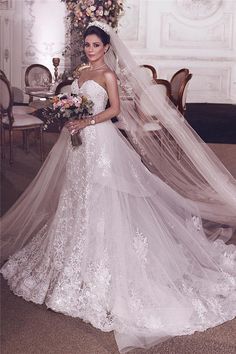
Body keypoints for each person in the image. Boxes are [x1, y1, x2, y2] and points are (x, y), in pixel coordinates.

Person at [1, 21, 236, 353]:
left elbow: (115, 109)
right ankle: (72, 256)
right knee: (77, 197)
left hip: (101, 143)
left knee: (104, 197)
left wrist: (87, 119)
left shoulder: (108, 76)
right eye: (87, 45)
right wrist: (70, 116)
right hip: (78, 143)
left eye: (96, 45)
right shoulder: (81, 73)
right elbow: (73, 101)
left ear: (107, 48)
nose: (90, 49)